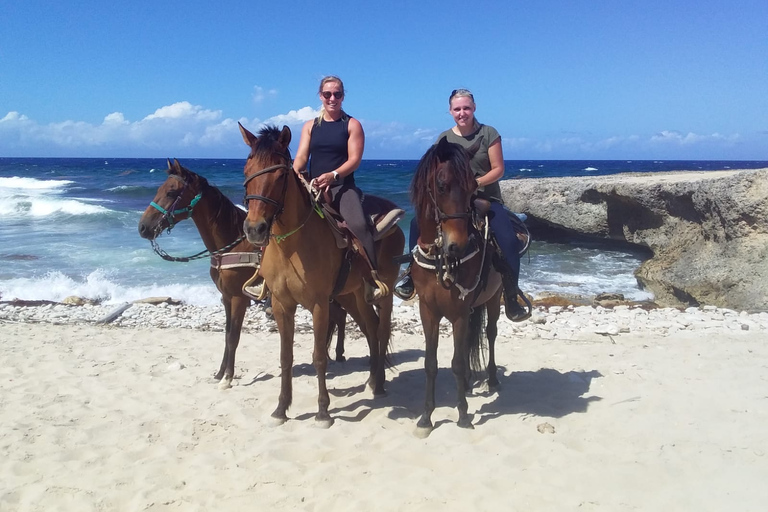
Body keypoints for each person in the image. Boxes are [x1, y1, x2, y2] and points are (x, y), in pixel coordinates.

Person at [394, 88, 529, 321]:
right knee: (418, 221)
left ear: (474, 108)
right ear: (450, 111)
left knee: (507, 240)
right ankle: (409, 276)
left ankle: (511, 295)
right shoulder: (444, 139)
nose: (462, 113)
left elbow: (498, 169)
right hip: (453, 200)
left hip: (485, 197)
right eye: (457, 109)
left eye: (466, 108)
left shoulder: (488, 133)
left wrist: (473, 183)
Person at [293, 75, 387, 302]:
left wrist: (333, 175)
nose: (332, 98)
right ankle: (267, 280)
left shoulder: (352, 124)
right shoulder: (310, 126)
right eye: (327, 94)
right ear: (320, 96)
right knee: (279, 217)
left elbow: (354, 160)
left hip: (341, 187)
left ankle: (372, 280)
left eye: (337, 94)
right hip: (312, 187)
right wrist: (294, 173)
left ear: (343, 96)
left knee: (358, 224)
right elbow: (302, 157)